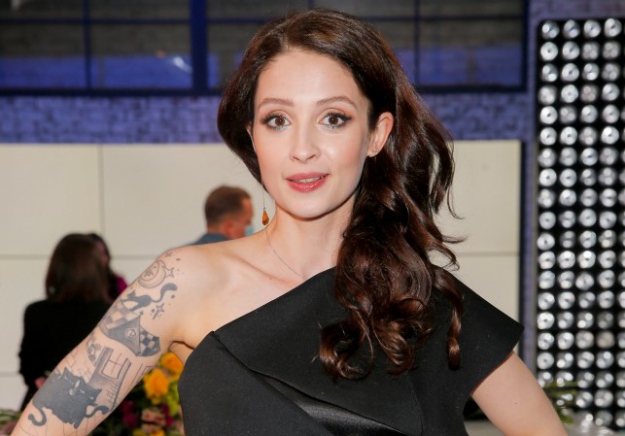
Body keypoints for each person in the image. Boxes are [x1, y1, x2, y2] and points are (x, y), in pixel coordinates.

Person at [12, 8, 566, 436]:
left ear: (377, 135)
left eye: (333, 118)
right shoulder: (182, 283)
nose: (302, 148)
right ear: (252, 135)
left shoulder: (423, 300)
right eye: (277, 119)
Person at [17, 233, 111, 411]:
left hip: (41, 410)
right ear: (97, 270)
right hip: (96, 412)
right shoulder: (110, 314)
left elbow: (28, 366)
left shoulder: (36, 312)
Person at [87, 232, 128, 301]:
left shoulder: (118, 283)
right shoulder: (76, 288)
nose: (103, 258)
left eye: (103, 253)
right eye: (97, 255)